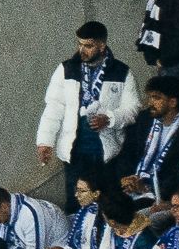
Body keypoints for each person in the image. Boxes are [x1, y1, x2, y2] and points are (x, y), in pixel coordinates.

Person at [37, 22, 142, 206]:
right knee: (76, 203)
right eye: (80, 44)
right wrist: (45, 142)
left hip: (106, 154)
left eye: (88, 45)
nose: (82, 49)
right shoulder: (66, 69)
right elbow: (54, 107)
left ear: (102, 46)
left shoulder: (122, 72)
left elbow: (133, 109)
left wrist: (109, 119)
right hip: (74, 153)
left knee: (108, 203)